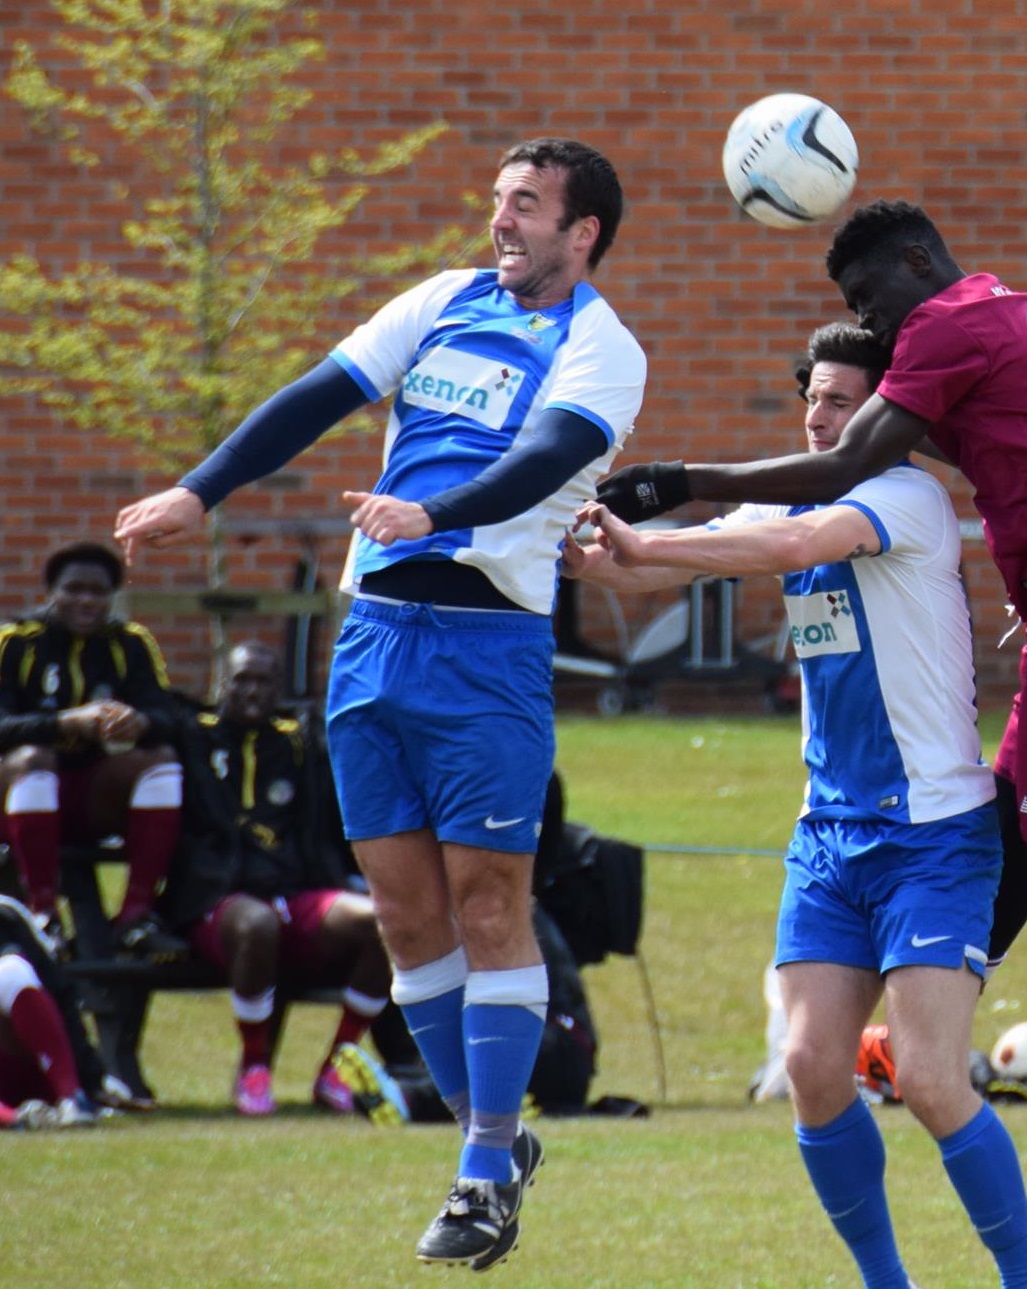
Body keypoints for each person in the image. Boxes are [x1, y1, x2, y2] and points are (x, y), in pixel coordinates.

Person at [596, 200, 1027, 1286]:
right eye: (820, 394)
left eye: (871, 304)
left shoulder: (935, 360)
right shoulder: (1000, 319)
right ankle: (935, 1050)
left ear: (919, 263)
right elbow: (1022, 451)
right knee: (1015, 852)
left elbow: (825, 490)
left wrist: (678, 481)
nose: (839, 402)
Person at [113, 137, 645, 1270]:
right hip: (373, 645)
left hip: (488, 652)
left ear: (581, 231)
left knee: (489, 904)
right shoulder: (443, 300)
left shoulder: (602, 348)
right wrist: (198, 490)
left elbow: (547, 458)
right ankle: (492, 1155)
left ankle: (480, 1168)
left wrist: (433, 512)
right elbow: (320, 395)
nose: (500, 221)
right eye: (498, 200)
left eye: (526, 206)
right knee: (405, 916)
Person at [572, 321, 1027, 1289]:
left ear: (887, 414)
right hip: (829, 837)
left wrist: (672, 513)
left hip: (934, 835)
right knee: (811, 1063)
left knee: (926, 1077)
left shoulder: (906, 494)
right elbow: (664, 559)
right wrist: (595, 546)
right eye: (814, 396)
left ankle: (1026, 1281)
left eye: (842, 399)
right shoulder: (794, 502)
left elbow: (791, 539)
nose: (819, 413)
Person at [163, 641, 391, 1117]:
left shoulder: (299, 744)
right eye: (241, 679)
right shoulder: (192, 736)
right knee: (258, 924)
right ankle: (254, 1068)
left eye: (264, 682)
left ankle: (336, 1068)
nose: (252, 691)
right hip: (219, 903)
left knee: (388, 922)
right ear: (219, 684)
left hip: (295, 894)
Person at [0, 542, 187, 958]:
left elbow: (171, 717)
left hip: (90, 799)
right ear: (52, 591)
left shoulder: (130, 643)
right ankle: (42, 914)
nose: (86, 600)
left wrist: (141, 722)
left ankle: (136, 914)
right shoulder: (15, 642)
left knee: (161, 762)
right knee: (35, 759)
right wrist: (64, 723)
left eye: (99, 592)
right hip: (16, 798)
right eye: (74, 589)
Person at [0, 895, 110, 1129]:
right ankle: (16, 1120)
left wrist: (89, 1078)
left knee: (13, 971)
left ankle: (72, 1099)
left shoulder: (6, 915)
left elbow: (60, 994)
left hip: (29, 1070)